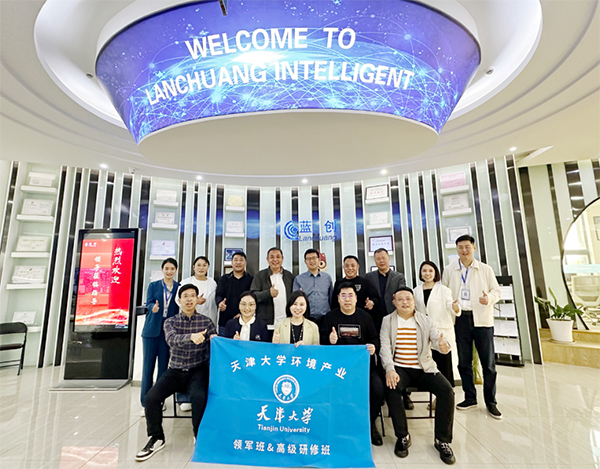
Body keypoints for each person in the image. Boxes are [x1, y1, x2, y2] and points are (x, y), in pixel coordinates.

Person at [136, 284, 217, 462]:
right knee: (152, 397)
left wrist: (214, 339)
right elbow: (171, 340)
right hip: (175, 370)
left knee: (199, 397)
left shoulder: (206, 322)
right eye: (185, 296)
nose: (189, 299)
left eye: (192, 296)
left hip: (197, 370)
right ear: (179, 300)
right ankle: (156, 437)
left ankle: (199, 435)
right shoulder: (170, 322)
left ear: (197, 299)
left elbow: (216, 345)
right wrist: (191, 337)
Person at [380, 287, 456, 465]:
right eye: (400, 299)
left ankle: (442, 440)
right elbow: (385, 347)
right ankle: (403, 436)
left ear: (414, 301)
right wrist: (389, 369)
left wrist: (443, 345)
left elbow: (437, 338)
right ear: (394, 302)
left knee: (447, 391)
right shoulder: (387, 320)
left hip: (423, 368)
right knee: (391, 387)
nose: (405, 302)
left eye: (408, 299)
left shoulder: (425, 320)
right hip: (399, 368)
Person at [441, 235, 502, 420]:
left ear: (474, 247)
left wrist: (488, 298)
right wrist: (451, 304)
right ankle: (470, 397)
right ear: (456, 249)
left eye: (467, 247)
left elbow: (497, 291)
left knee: (488, 363)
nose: (464, 250)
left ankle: (491, 401)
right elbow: (444, 293)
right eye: (460, 247)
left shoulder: (485, 269)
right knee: (464, 361)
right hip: (460, 318)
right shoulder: (449, 270)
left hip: (482, 319)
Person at [320, 282, 385, 447]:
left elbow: (375, 338)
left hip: (362, 368)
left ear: (356, 298)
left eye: (350, 295)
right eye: (343, 296)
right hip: (338, 368)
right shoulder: (330, 317)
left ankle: (370, 423)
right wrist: (329, 340)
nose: (347, 299)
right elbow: (322, 341)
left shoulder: (365, 317)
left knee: (377, 388)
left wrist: (373, 346)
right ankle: (337, 423)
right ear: (338, 299)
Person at [365, 248, 411, 409]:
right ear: (375, 260)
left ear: (388, 258)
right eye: (378, 259)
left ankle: (405, 394)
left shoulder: (398, 277)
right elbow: (367, 296)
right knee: (379, 354)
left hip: (395, 320)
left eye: (383, 258)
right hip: (376, 321)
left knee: (398, 353)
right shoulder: (369, 277)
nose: (381, 261)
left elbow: (403, 293)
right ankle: (383, 392)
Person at [140, 258, 179, 414]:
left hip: (168, 332)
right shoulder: (153, 285)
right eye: (166, 268)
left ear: (176, 270)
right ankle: (145, 402)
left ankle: (158, 400)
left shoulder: (178, 287)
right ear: (162, 270)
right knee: (148, 367)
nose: (169, 271)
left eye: (172, 269)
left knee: (163, 368)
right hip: (151, 330)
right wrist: (152, 308)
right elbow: (148, 302)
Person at [414, 261, 460, 387]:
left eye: (430, 271)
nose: (427, 273)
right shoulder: (416, 291)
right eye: (424, 271)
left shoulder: (444, 290)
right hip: (424, 332)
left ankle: (447, 393)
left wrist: (455, 308)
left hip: (442, 331)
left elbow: (451, 305)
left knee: (444, 365)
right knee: (429, 365)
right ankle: (434, 391)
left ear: (435, 273)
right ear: (420, 273)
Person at [331, 255, 381, 330]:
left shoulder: (365, 282)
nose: (350, 268)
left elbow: (376, 298)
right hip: (342, 320)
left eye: (352, 265)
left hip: (361, 319)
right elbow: (334, 303)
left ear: (357, 267)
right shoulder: (338, 283)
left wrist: (371, 302)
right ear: (343, 267)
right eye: (347, 266)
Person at [251, 247, 295, 332]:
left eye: (278, 257)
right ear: (267, 259)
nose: (275, 259)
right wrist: (268, 293)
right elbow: (253, 296)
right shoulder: (260, 275)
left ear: (282, 259)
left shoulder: (289, 276)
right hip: (266, 324)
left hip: (286, 323)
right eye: (272, 257)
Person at [215, 251, 253, 336]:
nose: (238, 262)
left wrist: (243, 313)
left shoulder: (251, 279)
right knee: (224, 344)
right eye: (235, 260)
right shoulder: (224, 279)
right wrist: (220, 303)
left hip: (246, 321)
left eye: (241, 260)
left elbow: (253, 298)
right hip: (225, 321)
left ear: (245, 263)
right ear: (232, 263)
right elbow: (219, 294)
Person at [292, 248, 333, 327]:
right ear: (305, 262)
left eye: (314, 258)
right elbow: (295, 301)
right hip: (306, 318)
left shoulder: (327, 278)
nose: (311, 261)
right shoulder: (299, 279)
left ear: (319, 260)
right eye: (308, 259)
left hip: (325, 318)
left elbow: (330, 298)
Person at [179, 256, 218, 326]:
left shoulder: (213, 283)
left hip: (208, 320)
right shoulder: (185, 282)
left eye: (204, 265)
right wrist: (195, 301)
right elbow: (178, 300)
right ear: (194, 267)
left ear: (208, 268)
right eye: (199, 265)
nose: (201, 268)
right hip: (189, 320)